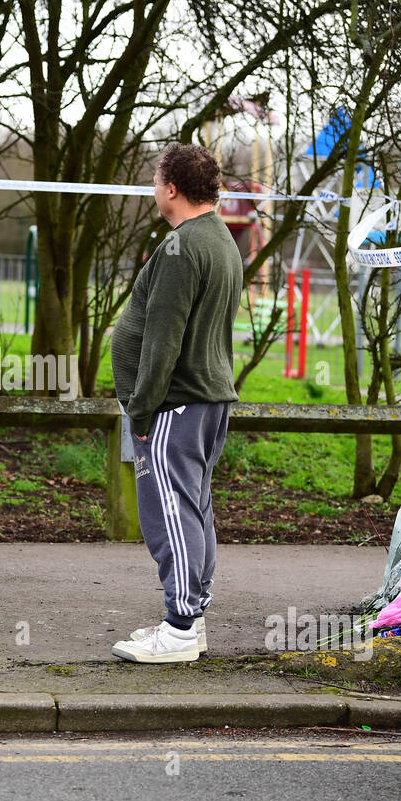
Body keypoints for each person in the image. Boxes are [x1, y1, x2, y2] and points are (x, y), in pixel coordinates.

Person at [108, 143, 244, 662]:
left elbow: (163, 340)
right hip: (206, 401)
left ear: (171, 188)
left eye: (155, 179)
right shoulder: (221, 241)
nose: (153, 188)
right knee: (193, 509)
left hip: (176, 403)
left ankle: (181, 627)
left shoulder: (182, 246)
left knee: (169, 514)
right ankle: (190, 621)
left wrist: (141, 410)